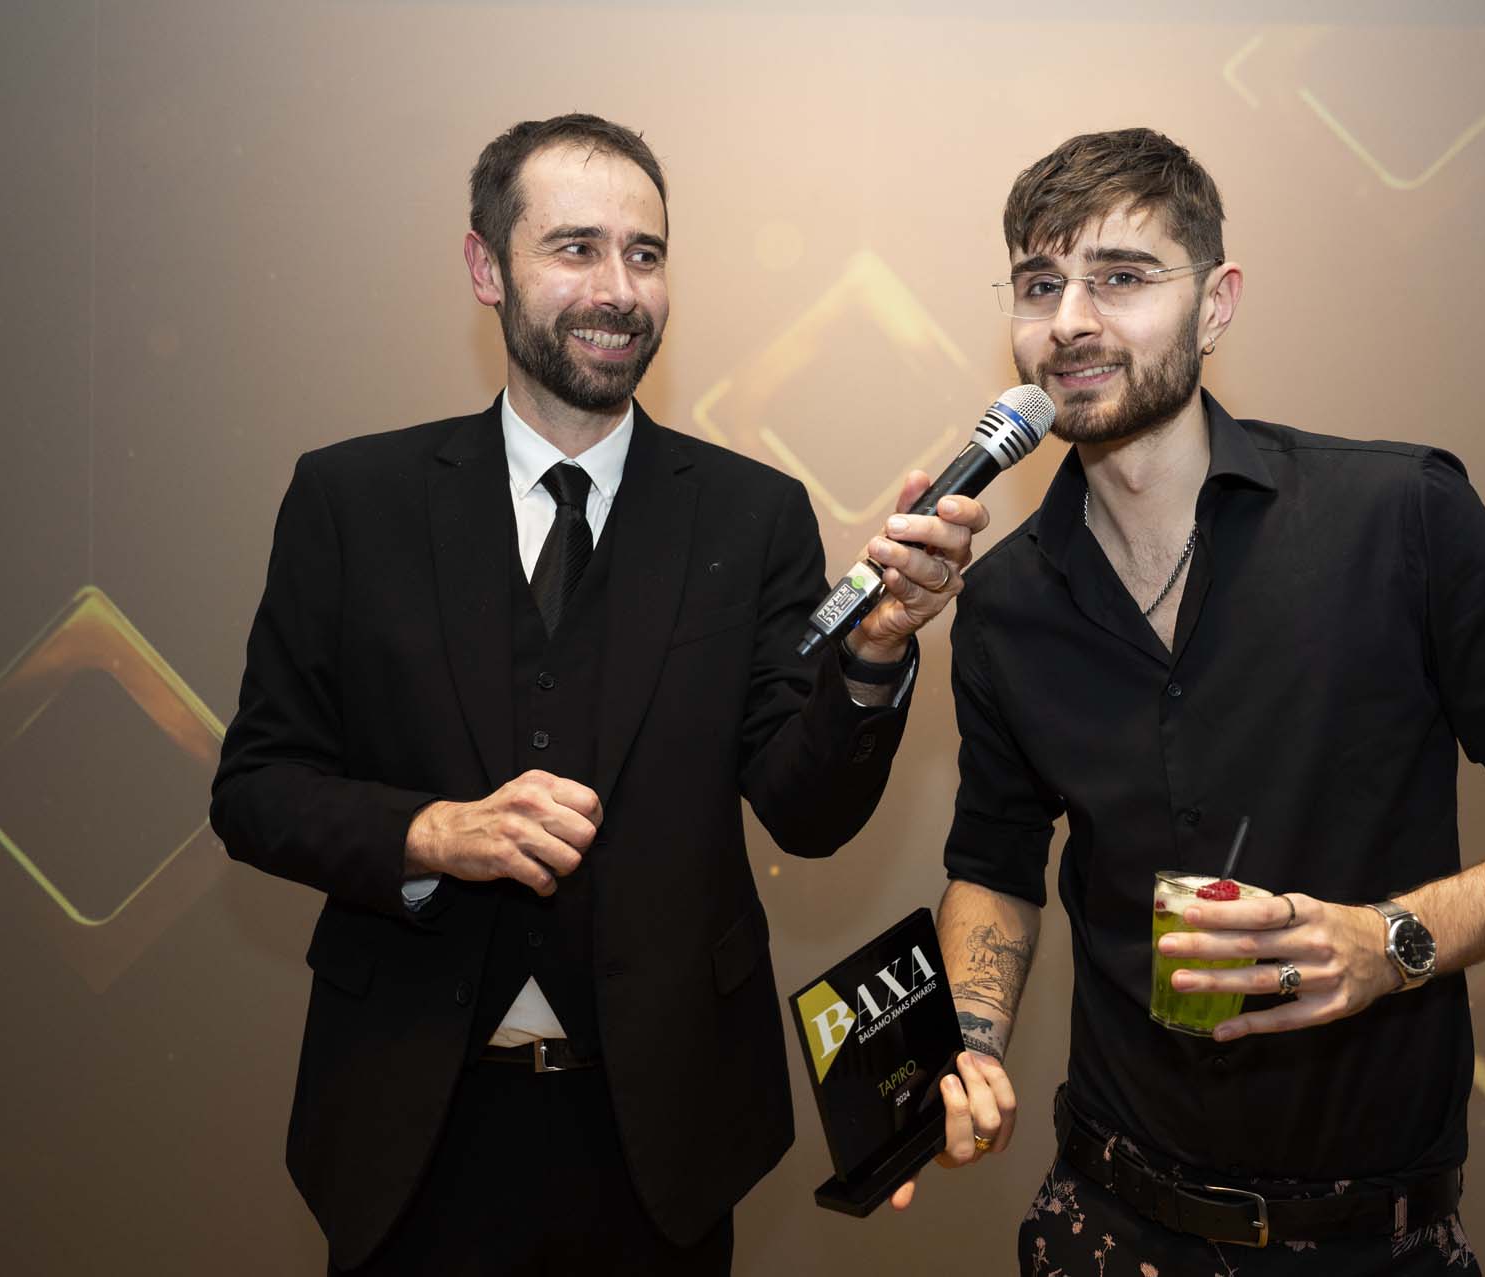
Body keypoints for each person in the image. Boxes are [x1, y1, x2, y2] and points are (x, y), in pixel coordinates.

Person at [210, 113, 986, 1275]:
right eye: (575, 248)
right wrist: (431, 831)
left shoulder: (752, 514)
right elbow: (257, 789)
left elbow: (806, 810)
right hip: (406, 1126)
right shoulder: (351, 501)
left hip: (664, 1141)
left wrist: (872, 653)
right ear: (487, 268)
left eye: (646, 253)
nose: (618, 290)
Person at [890, 128, 1485, 1274]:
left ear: (1216, 304)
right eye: (1040, 284)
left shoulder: (1398, 516)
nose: (1070, 320)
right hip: (1101, 1219)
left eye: (1121, 276)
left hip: (1375, 1241)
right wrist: (971, 1038)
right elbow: (996, 866)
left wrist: (1389, 942)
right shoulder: (1004, 601)